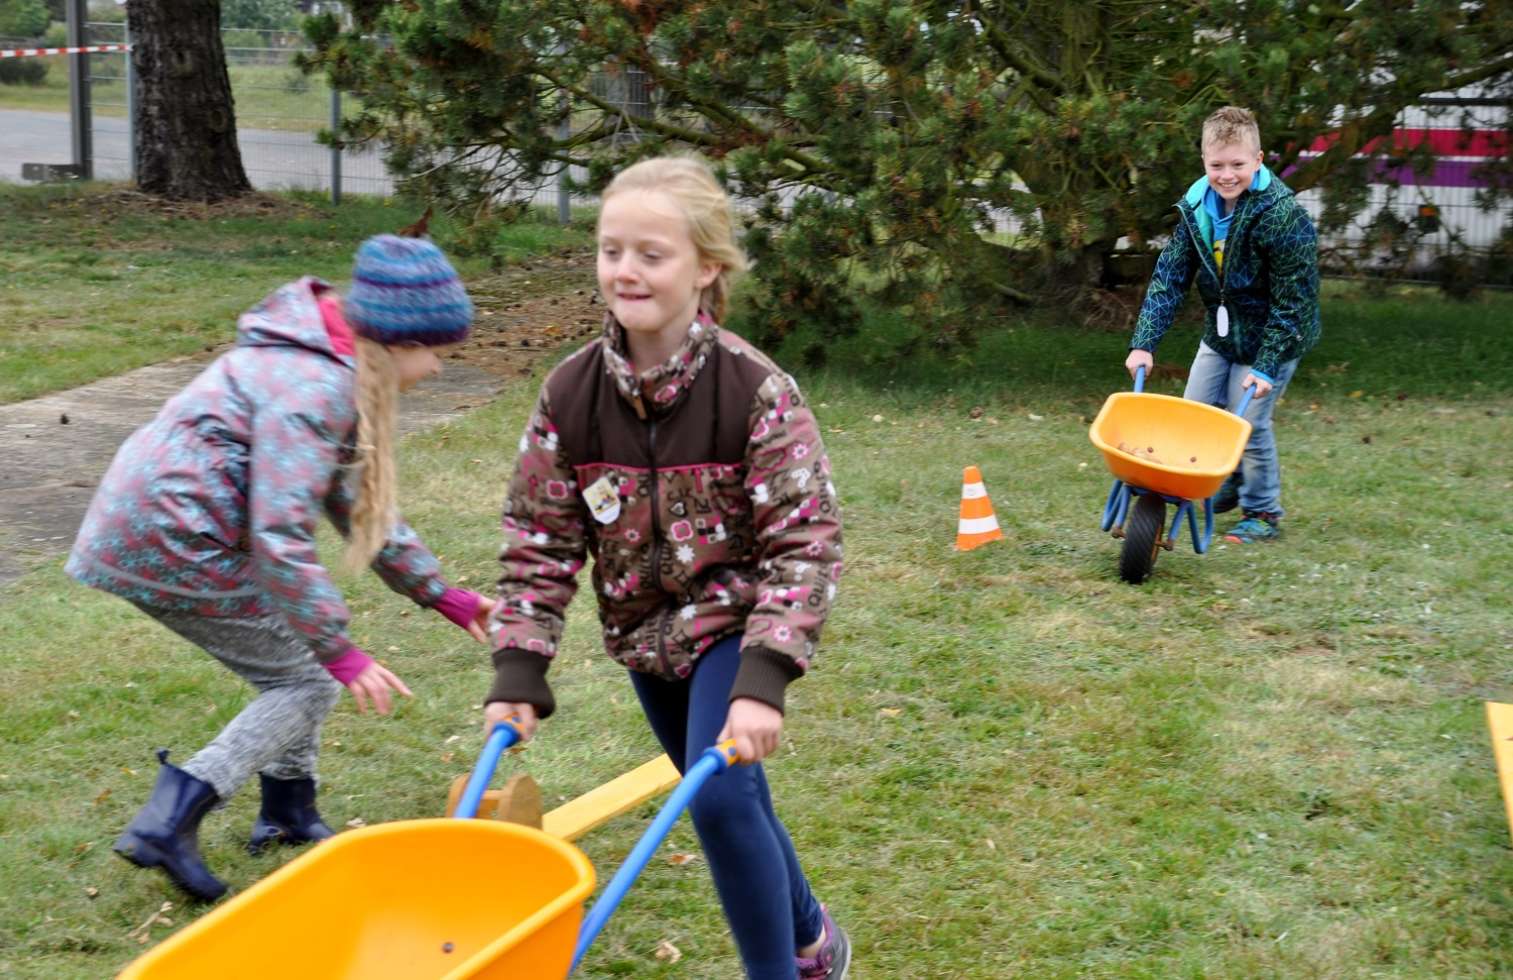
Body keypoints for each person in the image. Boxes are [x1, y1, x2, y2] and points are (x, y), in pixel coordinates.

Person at [482, 157, 850, 979]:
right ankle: (812, 938)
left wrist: (762, 676)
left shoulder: (753, 391)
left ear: (706, 267)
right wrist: (519, 663)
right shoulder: (570, 394)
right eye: (612, 250)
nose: (625, 270)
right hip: (644, 635)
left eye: (652, 253)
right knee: (723, 792)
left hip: (735, 620)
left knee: (717, 798)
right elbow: (538, 538)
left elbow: (805, 536)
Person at [66, 234, 495, 902]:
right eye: (437, 351)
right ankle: (172, 817)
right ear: (395, 341)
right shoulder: (316, 387)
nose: (439, 368)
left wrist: (441, 594)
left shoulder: (329, 365)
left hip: (159, 522)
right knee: (310, 682)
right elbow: (280, 535)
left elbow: (356, 501)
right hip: (172, 534)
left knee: (299, 669)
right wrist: (339, 649)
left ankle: (288, 813)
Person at [1125, 105, 1321, 543]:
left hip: (1276, 334)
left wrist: (1267, 365)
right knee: (1195, 413)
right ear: (1204, 162)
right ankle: (1225, 480)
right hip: (1222, 332)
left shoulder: (1281, 216)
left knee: (1246, 424)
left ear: (1259, 159)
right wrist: (1145, 343)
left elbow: (1293, 300)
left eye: (1237, 164)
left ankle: (1263, 511)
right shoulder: (1197, 207)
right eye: (1217, 165)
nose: (1227, 175)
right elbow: (1170, 275)